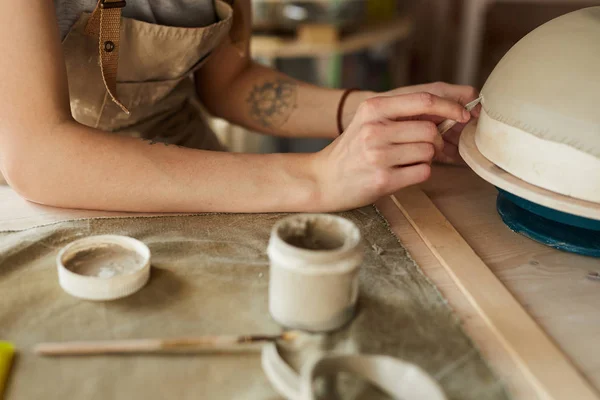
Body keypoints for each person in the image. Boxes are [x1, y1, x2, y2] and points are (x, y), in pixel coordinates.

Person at [0, 0, 480, 213]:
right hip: (52, 190)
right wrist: (315, 178)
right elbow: (39, 156)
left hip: (187, 156)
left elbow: (230, 82)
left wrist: (369, 111)